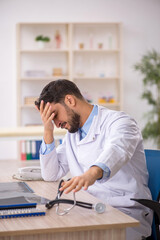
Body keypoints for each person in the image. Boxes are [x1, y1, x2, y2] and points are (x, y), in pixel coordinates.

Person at [35, 79, 153, 240]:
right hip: (90, 209)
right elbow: (50, 174)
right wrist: (47, 130)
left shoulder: (120, 122)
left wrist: (91, 174)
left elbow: (117, 150)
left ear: (70, 100)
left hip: (125, 213)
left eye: (54, 114)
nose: (56, 123)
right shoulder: (72, 135)